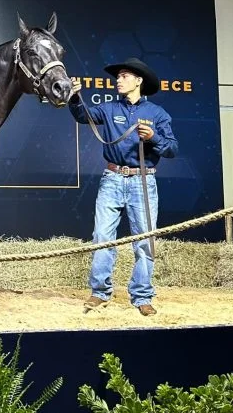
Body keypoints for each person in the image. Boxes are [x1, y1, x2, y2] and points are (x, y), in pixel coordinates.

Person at [68, 57, 179, 316]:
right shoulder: (107, 109)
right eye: (117, 77)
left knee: (144, 241)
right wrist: (74, 98)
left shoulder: (157, 115)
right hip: (112, 178)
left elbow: (173, 148)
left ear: (139, 81)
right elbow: (82, 115)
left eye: (125, 76)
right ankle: (99, 292)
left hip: (143, 180)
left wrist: (154, 138)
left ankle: (142, 296)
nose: (118, 80)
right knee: (103, 237)